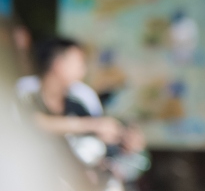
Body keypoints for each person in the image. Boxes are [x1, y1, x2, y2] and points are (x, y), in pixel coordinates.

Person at [21, 38, 145, 170]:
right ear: (58, 64)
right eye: (79, 63)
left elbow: (97, 139)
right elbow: (31, 123)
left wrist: (122, 141)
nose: (83, 70)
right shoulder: (25, 91)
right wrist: (91, 125)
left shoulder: (77, 104)